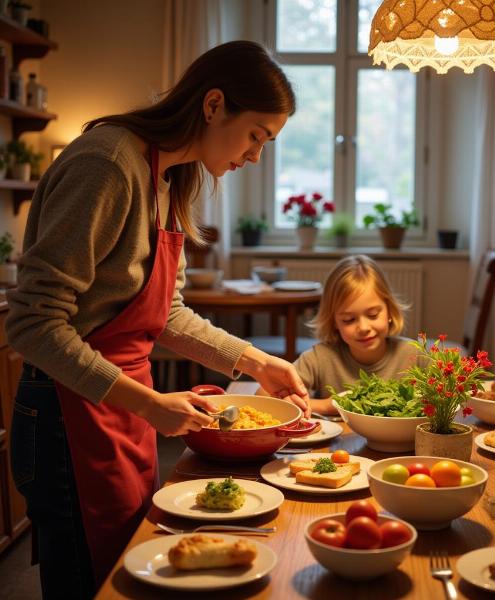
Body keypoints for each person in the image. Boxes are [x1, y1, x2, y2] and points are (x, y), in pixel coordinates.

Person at [6, 41, 308, 599]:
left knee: (126, 564)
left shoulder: (172, 179)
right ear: (214, 105)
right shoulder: (107, 163)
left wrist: (257, 361)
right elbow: (33, 324)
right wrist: (145, 402)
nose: (256, 157)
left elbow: (163, 313)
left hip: (120, 407)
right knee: (87, 580)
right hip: (66, 413)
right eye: (257, 137)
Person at [258, 255, 422, 415]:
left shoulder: (415, 355)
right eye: (348, 320)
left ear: (389, 311)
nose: (363, 328)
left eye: (373, 315)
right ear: (334, 321)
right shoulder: (320, 358)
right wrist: (325, 406)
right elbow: (263, 395)